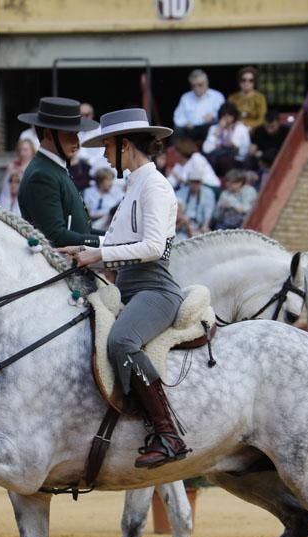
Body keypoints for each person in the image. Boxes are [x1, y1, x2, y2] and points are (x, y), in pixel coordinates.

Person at [70, 108, 189, 469]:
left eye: (108, 145)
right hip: (131, 287)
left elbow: (153, 247)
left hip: (154, 288)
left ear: (125, 145)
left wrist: (99, 254)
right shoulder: (137, 183)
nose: (105, 154)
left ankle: (168, 434)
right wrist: (85, 250)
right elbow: (120, 240)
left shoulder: (154, 185)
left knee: (122, 341)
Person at [16, 97, 102, 248]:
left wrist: (111, 239)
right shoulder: (41, 174)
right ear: (48, 134)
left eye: (76, 133)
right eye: (69, 134)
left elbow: (81, 229)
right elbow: (54, 235)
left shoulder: (53, 167)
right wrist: (103, 242)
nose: (76, 141)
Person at [172, 69, 225, 143]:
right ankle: (175, 153)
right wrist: (185, 122)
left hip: (209, 128)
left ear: (206, 83)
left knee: (212, 127)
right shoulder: (185, 97)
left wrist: (213, 117)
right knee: (178, 129)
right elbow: (178, 117)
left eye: (200, 85)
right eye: (194, 85)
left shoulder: (217, 96)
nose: (197, 88)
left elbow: (224, 116)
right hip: (190, 129)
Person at [202, 102, 249, 176]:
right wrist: (219, 130)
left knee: (223, 160)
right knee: (210, 158)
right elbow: (206, 149)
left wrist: (233, 145)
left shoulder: (241, 128)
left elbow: (244, 151)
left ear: (234, 116)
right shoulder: (214, 128)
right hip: (216, 159)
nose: (226, 118)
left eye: (229, 115)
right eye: (224, 115)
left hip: (235, 160)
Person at [81, 166, 124, 232]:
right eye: (108, 180)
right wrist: (106, 213)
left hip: (110, 224)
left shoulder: (117, 193)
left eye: (112, 180)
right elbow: (87, 212)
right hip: (91, 222)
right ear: (100, 180)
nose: (111, 183)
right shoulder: (88, 192)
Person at [228, 66, 268, 133]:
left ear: (254, 82)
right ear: (239, 81)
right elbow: (229, 116)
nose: (247, 83)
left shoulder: (260, 97)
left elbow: (262, 118)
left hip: (255, 130)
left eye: (250, 80)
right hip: (236, 130)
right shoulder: (232, 98)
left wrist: (248, 126)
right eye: (243, 80)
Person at [175, 169, 215, 235]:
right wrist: (187, 223)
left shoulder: (208, 192)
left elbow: (208, 212)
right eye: (193, 182)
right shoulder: (181, 191)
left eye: (197, 182)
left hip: (199, 227)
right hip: (183, 226)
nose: (195, 184)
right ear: (189, 182)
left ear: (201, 182)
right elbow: (178, 208)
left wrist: (205, 226)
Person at [0, 137, 34, 211]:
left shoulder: (34, 167)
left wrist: (21, 171)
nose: (22, 153)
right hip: (10, 201)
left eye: (25, 150)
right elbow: (5, 188)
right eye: (20, 150)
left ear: (32, 151)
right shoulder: (14, 165)